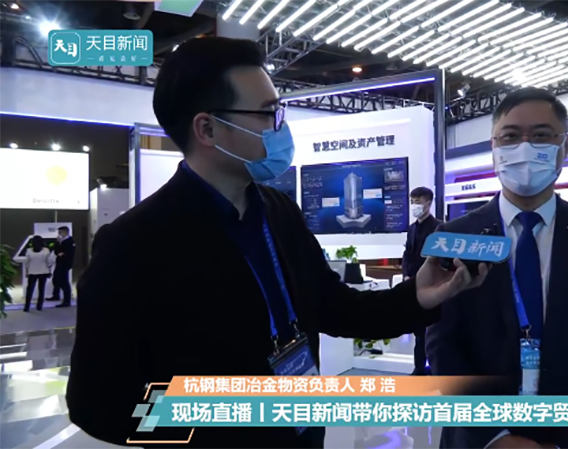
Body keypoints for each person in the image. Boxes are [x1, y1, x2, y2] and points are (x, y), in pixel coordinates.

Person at [66, 37, 488, 449]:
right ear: (208, 128)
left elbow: (334, 307)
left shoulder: (278, 210)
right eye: (268, 113)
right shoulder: (133, 244)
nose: (280, 127)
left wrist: (417, 297)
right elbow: (98, 404)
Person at [427, 88, 568, 449]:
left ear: (565, 145)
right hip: (481, 438)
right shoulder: (454, 236)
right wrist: (494, 437)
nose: (524, 148)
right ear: (494, 147)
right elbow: (443, 346)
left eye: (541, 135)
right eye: (510, 136)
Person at [402, 186, 442, 375]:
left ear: (428, 203)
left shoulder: (439, 227)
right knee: (418, 330)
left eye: (417, 202)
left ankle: (434, 369)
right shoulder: (411, 228)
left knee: (432, 331)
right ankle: (419, 368)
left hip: (431, 285)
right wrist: (406, 274)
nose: (414, 206)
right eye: (412, 202)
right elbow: (407, 253)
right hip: (412, 285)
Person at [23, 235, 53, 312]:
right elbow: (49, 262)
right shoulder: (46, 250)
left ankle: (27, 307)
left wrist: (27, 271)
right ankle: (39, 306)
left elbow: (26, 263)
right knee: (41, 289)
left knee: (30, 289)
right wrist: (49, 269)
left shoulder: (29, 251)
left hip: (32, 272)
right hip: (43, 272)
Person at [49, 226, 75, 308]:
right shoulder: (60, 241)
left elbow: (69, 253)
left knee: (64, 282)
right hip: (59, 263)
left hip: (65, 264)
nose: (59, 234)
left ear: (65, 232)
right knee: (56, 279)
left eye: (60, 232)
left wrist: (62, 254)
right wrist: (58, 243)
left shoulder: (70, 241)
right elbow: (56, 251)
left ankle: (67, 300)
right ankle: (56, 295)